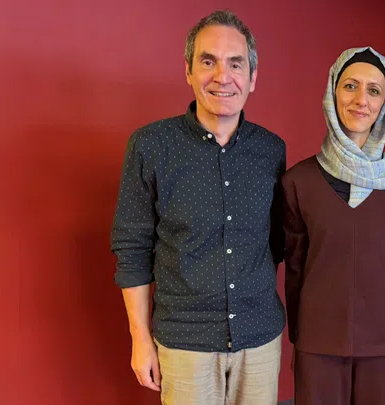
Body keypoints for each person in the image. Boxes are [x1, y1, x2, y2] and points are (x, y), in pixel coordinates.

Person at [110, 10, 286, 405]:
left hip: (259, 338)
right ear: (188, 71)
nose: (223, 76)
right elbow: (132, 248)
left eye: (236, 64)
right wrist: (140, 339)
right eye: (208, 62)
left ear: (252, 77)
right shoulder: (151, 146)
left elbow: (276, 242)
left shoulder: (271, 150)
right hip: (184, 341)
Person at [281, 47, 385, 405]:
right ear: (332, 92)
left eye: (374, 90)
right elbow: (295, 268)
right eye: (350, 86)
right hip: (318, 339)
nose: (361, 100)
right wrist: (300, 335)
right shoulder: (298, 181)